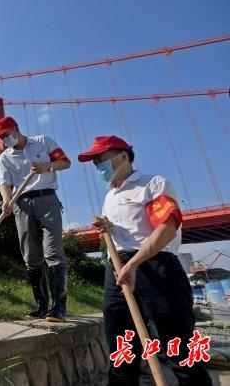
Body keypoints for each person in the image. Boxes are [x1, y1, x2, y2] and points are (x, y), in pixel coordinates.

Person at [78, 135, 211, 385]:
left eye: (101, 160)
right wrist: (108, 226)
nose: (98, 168)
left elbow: (167, 228)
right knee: (121, 345)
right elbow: (127, 231)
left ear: (123, 156)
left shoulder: (152, 184)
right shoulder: (109, 196)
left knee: (178, 344)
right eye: (95, 163)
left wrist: (134, 263)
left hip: (156, 266)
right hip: (117, 268)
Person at [0, 116, 71, 322]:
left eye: (6, 134)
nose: (4, 139)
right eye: (1, 137)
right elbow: (5, 183)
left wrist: (47, 166)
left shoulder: (43, 141)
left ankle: (59, 308)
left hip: (47, 199)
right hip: (22, 204)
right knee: (30, 254)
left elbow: (65, 162)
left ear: (16, 129)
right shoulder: (5, 158)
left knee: (52, 251)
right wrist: (6, 200)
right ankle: (41, 306)